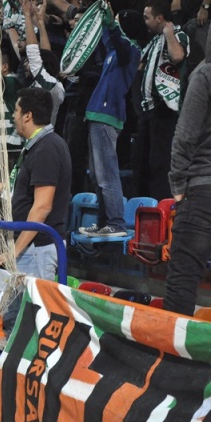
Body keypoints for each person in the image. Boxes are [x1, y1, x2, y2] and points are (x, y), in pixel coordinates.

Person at [0, 87, 71, 332]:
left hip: (37, 250)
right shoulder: (39, 146)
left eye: (16, 110)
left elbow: (42, 207)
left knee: (30, 326)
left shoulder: (47, 148)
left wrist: (13, 251)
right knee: (16, 323)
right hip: (31, 249)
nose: (13, 116)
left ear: (27, 116)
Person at [79, 7, 142, 237]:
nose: (113, 22)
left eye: (117, 21)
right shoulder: (113, 52)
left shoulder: (131, 51)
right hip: (96, 115)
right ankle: (104, 221)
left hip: (108, 116)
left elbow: (118, 41)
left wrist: (112, 26)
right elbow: (107, 37)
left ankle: (116, 223)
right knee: (97, 175)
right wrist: (102, 20)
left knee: (107, 174)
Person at [164, 43, 211, 316]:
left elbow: (185, 136)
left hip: (202, 191)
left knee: (182, 285)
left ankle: (174, 348)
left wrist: (178, 187)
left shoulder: (205, 75)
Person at [134, 0, 189, 200]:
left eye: (147, 17)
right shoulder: (153, 42)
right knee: (141, 163)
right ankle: (142, 205)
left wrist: (168, 32)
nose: (145, 22)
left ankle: (161, 207)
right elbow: (139, 65)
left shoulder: (178, 35)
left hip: (165, 110)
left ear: (159, 18)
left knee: (159, 163)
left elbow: (177, 56)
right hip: (147, 111)